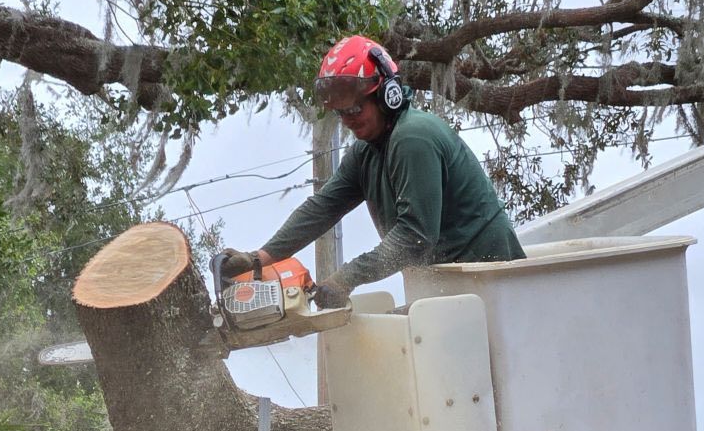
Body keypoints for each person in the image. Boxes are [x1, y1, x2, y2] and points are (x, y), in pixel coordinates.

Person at [222, 35, 524, 306]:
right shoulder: (367, 150)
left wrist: (347, 277)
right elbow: (323, 208)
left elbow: (415, 237)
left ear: (387, 95)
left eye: (354, 109)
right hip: (450, 285)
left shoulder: (413, 138)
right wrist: (260, 258)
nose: (348, 120)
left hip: (492, 281)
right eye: (341, 113)